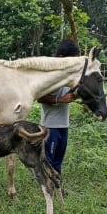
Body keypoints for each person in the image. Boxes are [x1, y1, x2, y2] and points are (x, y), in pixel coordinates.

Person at [37, 38, 79, 174]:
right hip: (50, 126)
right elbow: (40, 97)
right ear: (61, 58)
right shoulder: (49, 76)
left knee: (58, 160)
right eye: (71, 59)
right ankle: (48, 187)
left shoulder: (68, 75)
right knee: (49, 160)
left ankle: (57, 186)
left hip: (63, 124)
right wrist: (60, 99)